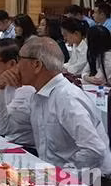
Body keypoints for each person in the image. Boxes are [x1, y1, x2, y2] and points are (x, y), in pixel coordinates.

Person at [17, 36, 111, 176]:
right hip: (54, 176)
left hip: (88, 181)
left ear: (36, 65)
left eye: (19, 59)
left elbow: (94, 150)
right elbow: (7, 129)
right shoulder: (38, 96)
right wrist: (2, 89)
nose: (17, 66)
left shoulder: (67, 98)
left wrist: (61, 175)